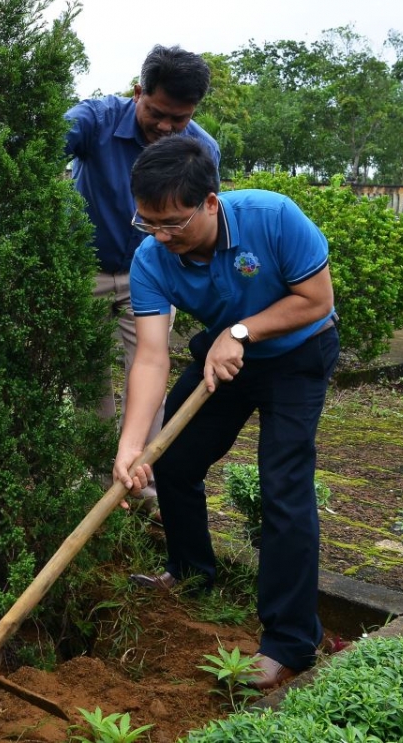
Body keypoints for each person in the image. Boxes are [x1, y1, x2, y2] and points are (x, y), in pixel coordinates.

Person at [112, 135, 338, 691]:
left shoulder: (273, 217)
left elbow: (317, 301)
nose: (162, 237)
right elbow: (150, 354)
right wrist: (130, 443)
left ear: (210, 202)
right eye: (149, 223)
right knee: (175, 460)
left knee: (283, 486)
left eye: (173, 222)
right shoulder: (150, 259)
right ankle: (190, 571)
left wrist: (242, 331)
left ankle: (290, 643)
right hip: (225, 359)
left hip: (297, 355)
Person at [65, 46, 220, 507]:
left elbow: (204, 220)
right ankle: (99, 481)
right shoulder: (95, 120)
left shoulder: (202, 149)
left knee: (146, 376)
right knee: (89, 381)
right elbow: (37, 145)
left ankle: (145, 487)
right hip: (86, 269)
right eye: (157, 113)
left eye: (181, 117)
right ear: (138, 93)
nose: (168, 127)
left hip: (151, 277)